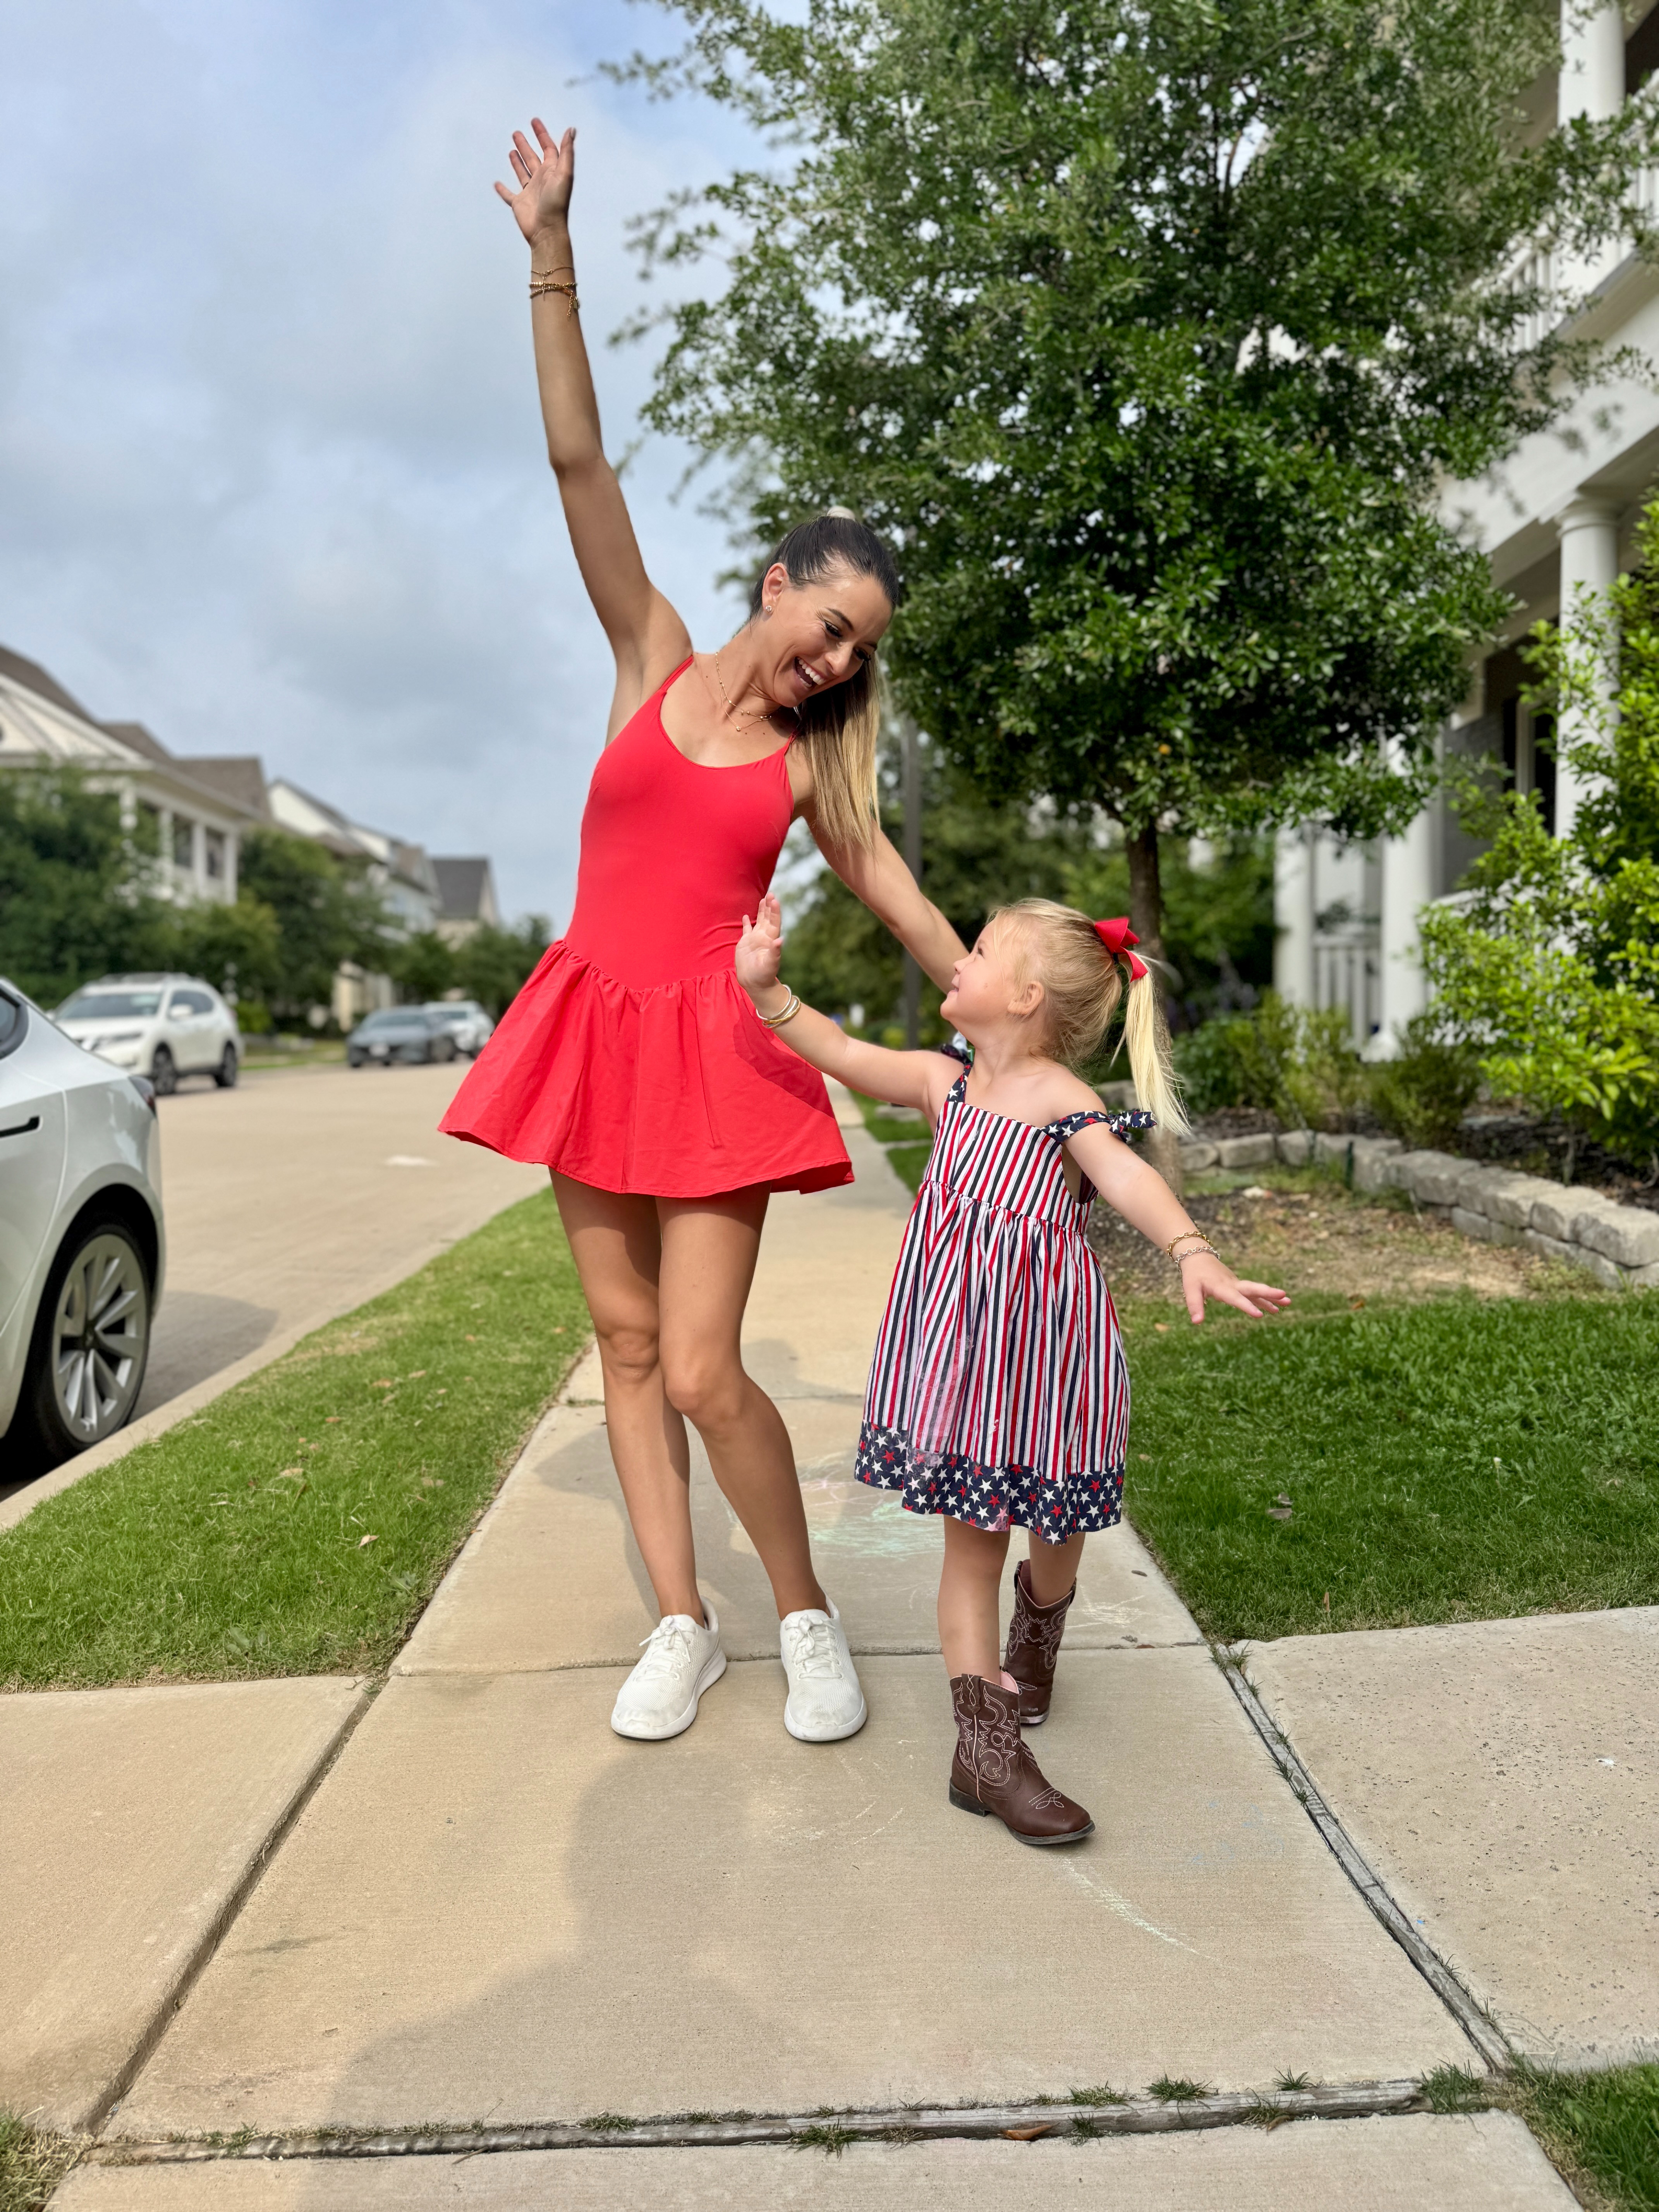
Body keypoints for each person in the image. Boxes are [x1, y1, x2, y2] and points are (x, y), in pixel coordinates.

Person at [440, 117, 967, 1748]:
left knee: (699, 1366)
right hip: (594, 1019)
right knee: (615, 1341)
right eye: (828, 629)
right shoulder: (653, 655)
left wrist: (989, 998)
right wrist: (551, 252)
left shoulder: (814, 763)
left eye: (855, 656)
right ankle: (686, 1619)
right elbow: (578, 468)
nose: (833, 666)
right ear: (776, 585)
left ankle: (804, 1615)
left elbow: (881, 882)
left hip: (718, 1046)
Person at [734, 892, 1290, 1843]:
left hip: (1048, 1360)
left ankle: (1036, 1641)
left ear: (1027, 996)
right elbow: (841, 1054)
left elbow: (1126, 1175)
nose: (958, 959)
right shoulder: (939, 1084)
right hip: (959, 1365)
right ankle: (985, 1752)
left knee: (1058, 1528)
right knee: (972, 1545)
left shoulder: (1061, 1099)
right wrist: (769, 990)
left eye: (981, 951)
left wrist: (1192, 1247)